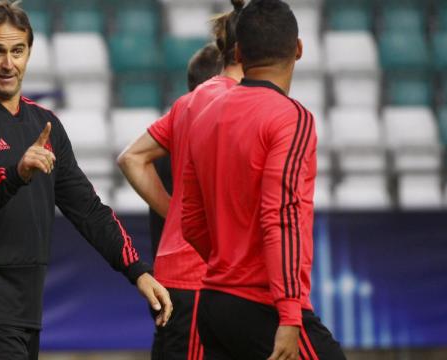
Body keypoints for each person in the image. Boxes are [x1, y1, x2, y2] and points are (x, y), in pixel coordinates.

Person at [0, 1, 172, 359]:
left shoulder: (44, 124)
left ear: (29, 52)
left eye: (18, 51)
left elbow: (87, 209)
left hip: (27, 312)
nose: (8, 64)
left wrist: (138, 270)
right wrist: (15, 174)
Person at [182, 0, 345, 359]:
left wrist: (228, 263)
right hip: (266, 306)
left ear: (238, 51)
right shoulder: (292, 119)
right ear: (299, 49)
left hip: (214, 304)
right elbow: (281, 215)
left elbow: (191, 220)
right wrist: (288, 315)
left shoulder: (205, 115)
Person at [117, 2, 244, 358]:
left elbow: (131, 158)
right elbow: (129, 159)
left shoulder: (175, 132)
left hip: (182, 279)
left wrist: (174, 213)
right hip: (197, 281)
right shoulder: (204, 121)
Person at [148, 42, 223, 260]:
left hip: (168, 270)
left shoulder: (166, 137)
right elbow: (128, 159)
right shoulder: (198, 136)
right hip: (197, 274)